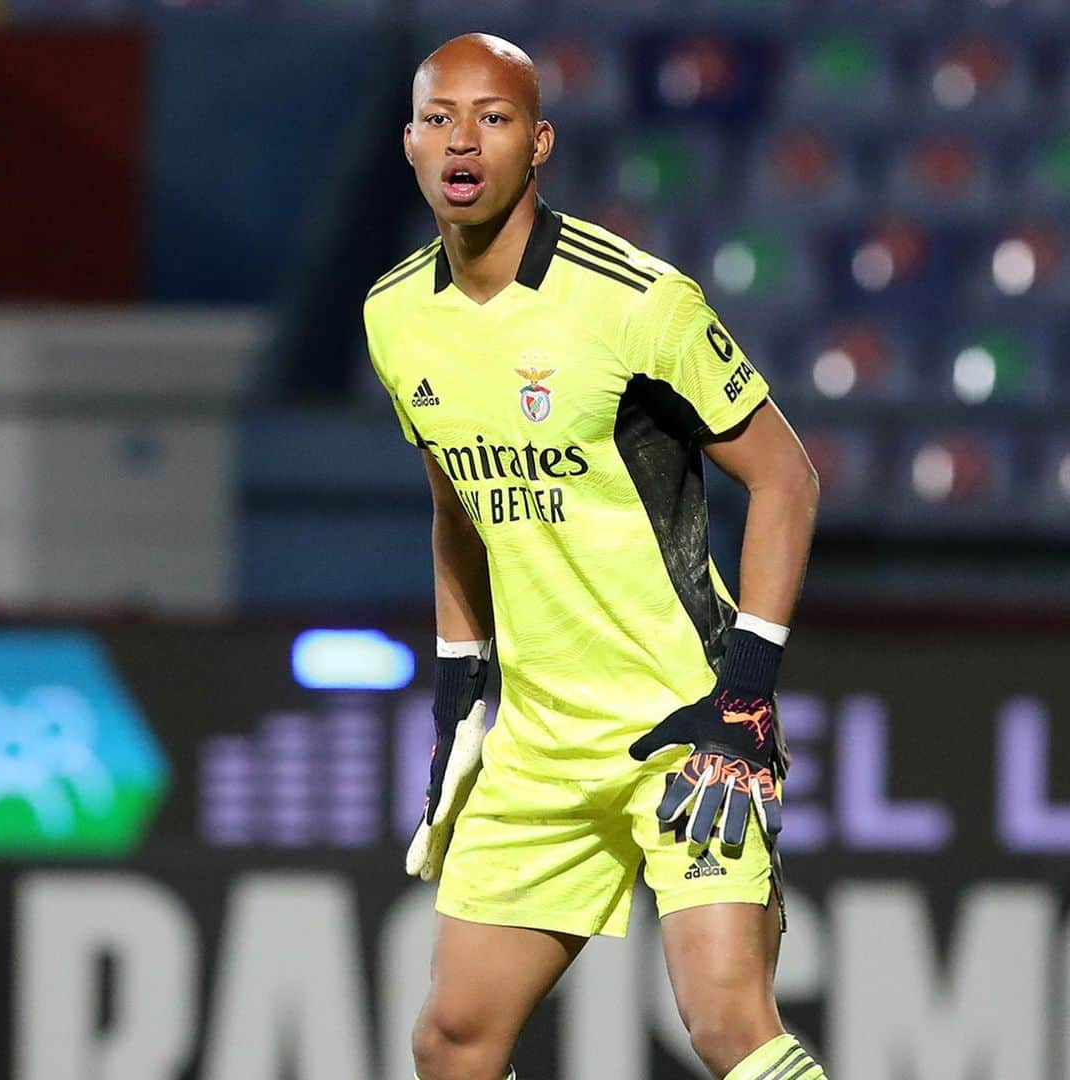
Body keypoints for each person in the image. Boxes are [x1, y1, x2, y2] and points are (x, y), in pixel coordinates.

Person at [364, 32, 825, 1080]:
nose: (463, 140)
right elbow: (454, 501)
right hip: (537, 738)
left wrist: (748, 695)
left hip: (685, 722)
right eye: (440, 118)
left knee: (727, 1024)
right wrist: (458, 691)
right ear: (408, 144)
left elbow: (789, 477)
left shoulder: (635, 300)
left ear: (540, 144)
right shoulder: (393, 316)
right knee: (452, 1041)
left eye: (493, 117)